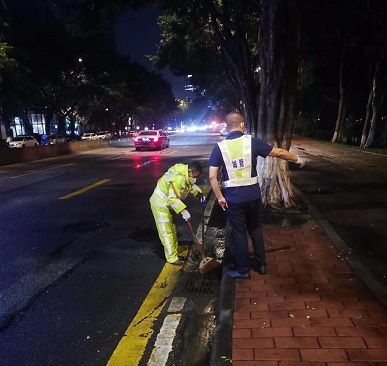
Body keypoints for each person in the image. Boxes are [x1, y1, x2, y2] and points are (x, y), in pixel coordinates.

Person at [209, 112, 305, 279]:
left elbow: (212, 176)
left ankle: (243, 270)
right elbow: (279, 152)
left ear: (226, 126)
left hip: (233, 199)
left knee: (239, 233)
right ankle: (261, 265)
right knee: (255, 229)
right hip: (253, 196)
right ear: (242, 125)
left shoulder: (220, 147)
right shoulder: (250, 142)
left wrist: (220, 197)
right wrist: (297, 159)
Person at [150, 161, 203, 265]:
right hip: (160, 205)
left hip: (168, 205)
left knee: (172, 229)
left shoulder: (184, 172)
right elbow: (172, 199)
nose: (195, 179)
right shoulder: (178, 178)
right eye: (195, 176)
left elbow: (189, 186)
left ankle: (174, 253)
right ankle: (172, 258)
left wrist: (199, 194)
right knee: (167, 232)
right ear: (189, 171)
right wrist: (184, 211)